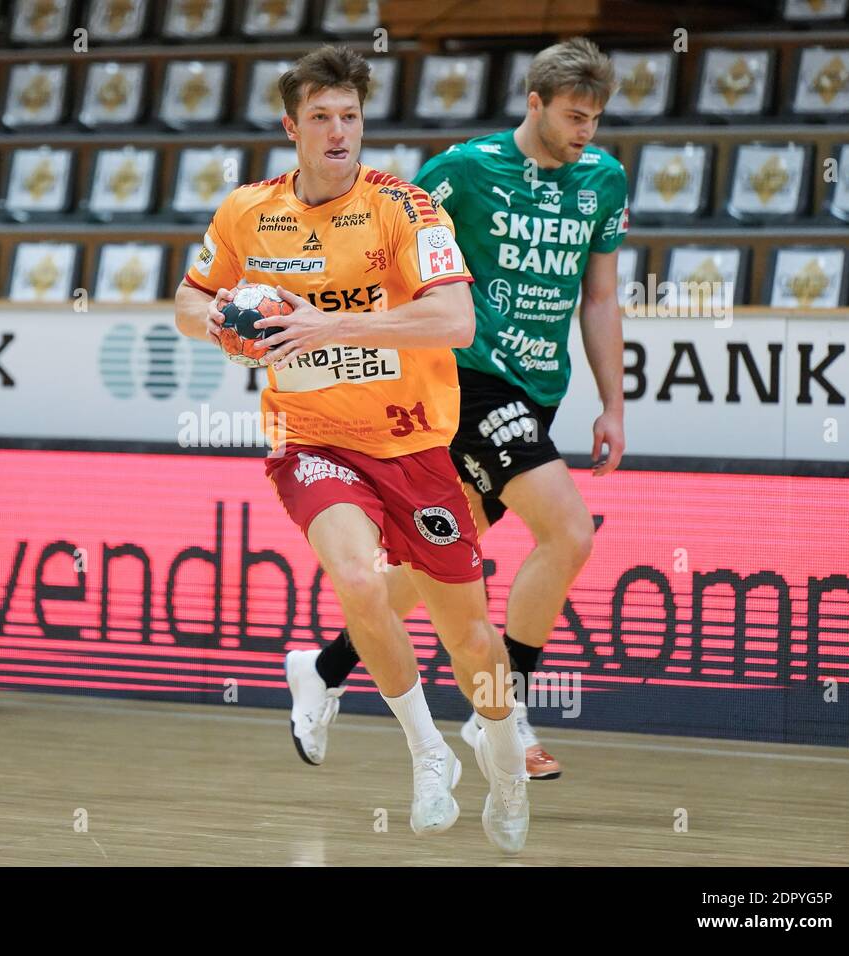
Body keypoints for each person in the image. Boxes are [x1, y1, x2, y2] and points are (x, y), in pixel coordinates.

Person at [175, 45, 529, 853]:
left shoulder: (404, 209)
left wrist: (328, 323)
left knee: (474, 642)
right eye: (323, 118)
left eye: (351, 116)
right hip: (311, 440)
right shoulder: (245, 213)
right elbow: (185, 305)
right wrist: (228, 325)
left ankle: (502, 754)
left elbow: (456, 323)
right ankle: (426, 752)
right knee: (359, 577)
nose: (339, 132)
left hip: (414, 446)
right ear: (291, 125)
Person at [287, 37, 629, 781]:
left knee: (450, 551)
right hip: (465, 379)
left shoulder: (603, 179)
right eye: (573, 116)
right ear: (533, 103)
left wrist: (612, 401)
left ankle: (323, 665)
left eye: (595, 120)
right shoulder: (464, 170)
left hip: (541, 390)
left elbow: (599, 297)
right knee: (567, 533)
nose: (585, 133)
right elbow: (394, 265)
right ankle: (498, 709)